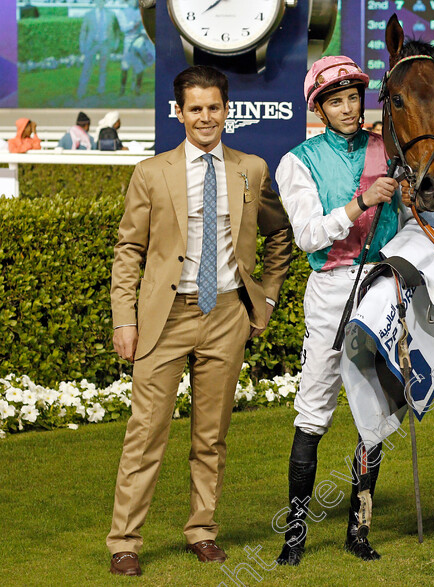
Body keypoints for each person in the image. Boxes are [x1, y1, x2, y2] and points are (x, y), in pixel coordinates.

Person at [106, 65, 294, 577]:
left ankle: (202, 530)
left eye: (214, 107)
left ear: (226, 110)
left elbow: (280, 235)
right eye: (195, 109)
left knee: (211, 435)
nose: (205, 117)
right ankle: (125, 540)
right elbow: (129, 249)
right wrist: (125, 318)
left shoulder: (251, 169)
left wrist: (267, 298)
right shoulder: (151, 172)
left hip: (227, 313)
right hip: (164, 319)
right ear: (180, 113)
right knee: (146, 433)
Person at [273, 55, 400, 566]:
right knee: (314, 411)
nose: (348, 108)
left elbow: (414, 216)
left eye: (354, 98)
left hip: (381, 283)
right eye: (336, 101)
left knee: (374, 411)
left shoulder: (386, 148)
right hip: (330, 288)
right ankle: (295, 534)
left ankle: (359, 529)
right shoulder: (297, 161)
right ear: (319, 108)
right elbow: (307, 235)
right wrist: (361, 202)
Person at [77, 0, 121, 99]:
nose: (100, 2)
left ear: (105, 2)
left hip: (105, 44)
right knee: (87, 68)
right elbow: (84, 31)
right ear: (95, 2)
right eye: (98, 1)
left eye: (102, 1)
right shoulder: (88, 15)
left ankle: (101, 90)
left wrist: (116, 43)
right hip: (92, 44)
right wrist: (82, 45)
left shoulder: (111, 14)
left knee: (104, 67)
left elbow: (117, 30)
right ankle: (81, 91)